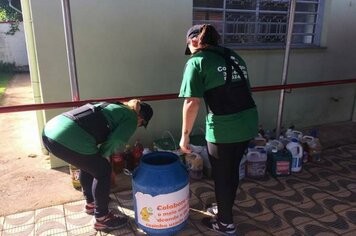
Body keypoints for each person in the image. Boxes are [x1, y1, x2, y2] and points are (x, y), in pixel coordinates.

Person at [179, 24, 258, 235]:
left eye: (190, 46)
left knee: (222, 176)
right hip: (248, 120)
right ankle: (224, 210)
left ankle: (225, 223)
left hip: (224, 127)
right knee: (231, 170)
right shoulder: (233, 55)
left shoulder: (196, 62)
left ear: (194, 41)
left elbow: (191, 102)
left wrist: (184, 137)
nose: (191, 51)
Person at [42, 99, 153, 231]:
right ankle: (102, 219)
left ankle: (91, 203)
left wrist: (99, 157)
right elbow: (115, 141)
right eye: (141, 124)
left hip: (50, 132)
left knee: (89, 165)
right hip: (66, 137)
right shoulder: (131, 117)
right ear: (141, 118)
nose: (137, 126)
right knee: (103, 171)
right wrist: (103, 157)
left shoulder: (114, 106)